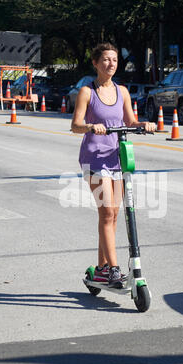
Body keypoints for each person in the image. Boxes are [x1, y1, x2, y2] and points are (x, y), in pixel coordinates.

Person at [72, 42, 156, 288]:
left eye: (115, 60)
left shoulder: (123, 92)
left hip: (116, 157)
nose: (111, 64)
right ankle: (114, 270)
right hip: (94, 158)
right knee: (107, 213)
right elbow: (75, 124)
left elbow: (130, 121)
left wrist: (144, 125)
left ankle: (101, 269)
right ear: (96, 63)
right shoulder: (87, 92)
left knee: (113, 215)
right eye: (106, 60)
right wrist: (90, 126)